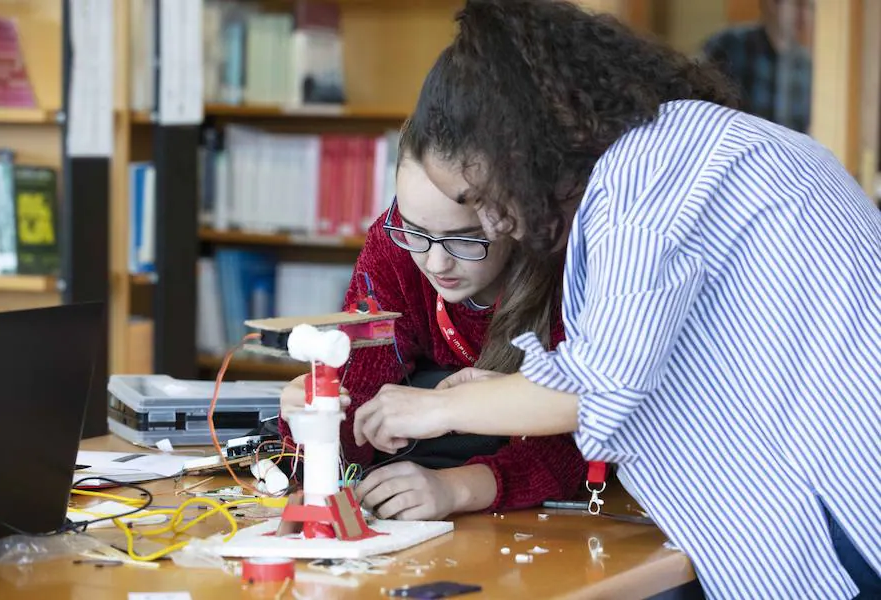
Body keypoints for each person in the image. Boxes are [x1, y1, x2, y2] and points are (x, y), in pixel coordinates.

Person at [352, 1, 881, 598]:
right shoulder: (697, 141)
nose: (496, 223)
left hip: (839, 514)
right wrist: (500, 397)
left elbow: (598, 389)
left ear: (519, 141)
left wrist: (433, 411)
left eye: (482, 195)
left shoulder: (641, 178)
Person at [277, 129, 587, 521]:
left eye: (465, 239)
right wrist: (310, 422)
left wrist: (454, 488)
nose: (437, 264)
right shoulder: (394, 250)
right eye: (415, 230)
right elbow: (355, 417)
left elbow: (575, 442)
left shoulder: (568, 266)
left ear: (514, 218)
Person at [701, 0, 813, 133]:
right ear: (773, 4)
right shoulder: (730, 45)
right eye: (799, 4)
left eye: (810, 7)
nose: (804, 15)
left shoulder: (806, 64)